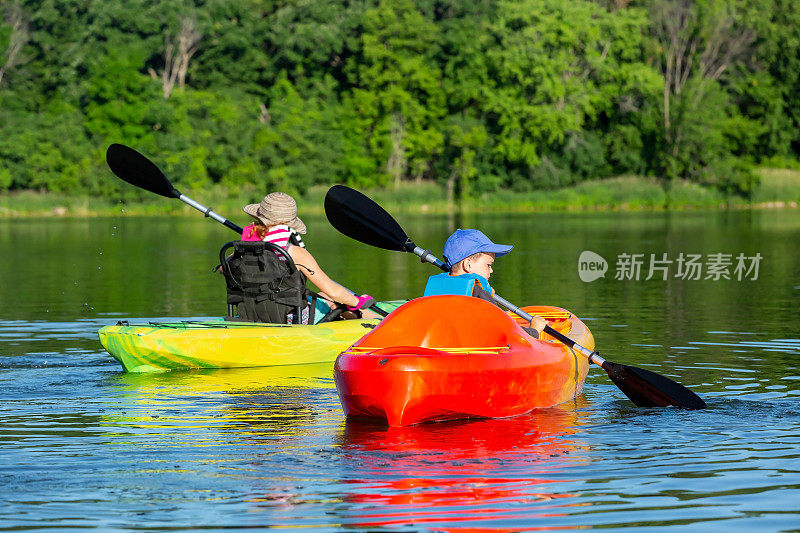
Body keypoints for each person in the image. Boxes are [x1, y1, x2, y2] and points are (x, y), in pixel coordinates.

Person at [240, 192, 379, 323]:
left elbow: (224, 268)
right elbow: (333, 291)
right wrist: (358, 302)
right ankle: (379, 325)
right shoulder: (294, 252)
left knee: (324, 296)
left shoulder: (243, 250)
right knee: (341, 299)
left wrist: (250, 243)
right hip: (288, 318)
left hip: (252, 313)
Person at [423, 228, 547, 337]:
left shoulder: (438, 286)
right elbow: (508, 332)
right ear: (468, 265)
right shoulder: (477, 291)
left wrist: (486, 295)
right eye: (488, 265)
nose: (491, 271)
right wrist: (534, 330)